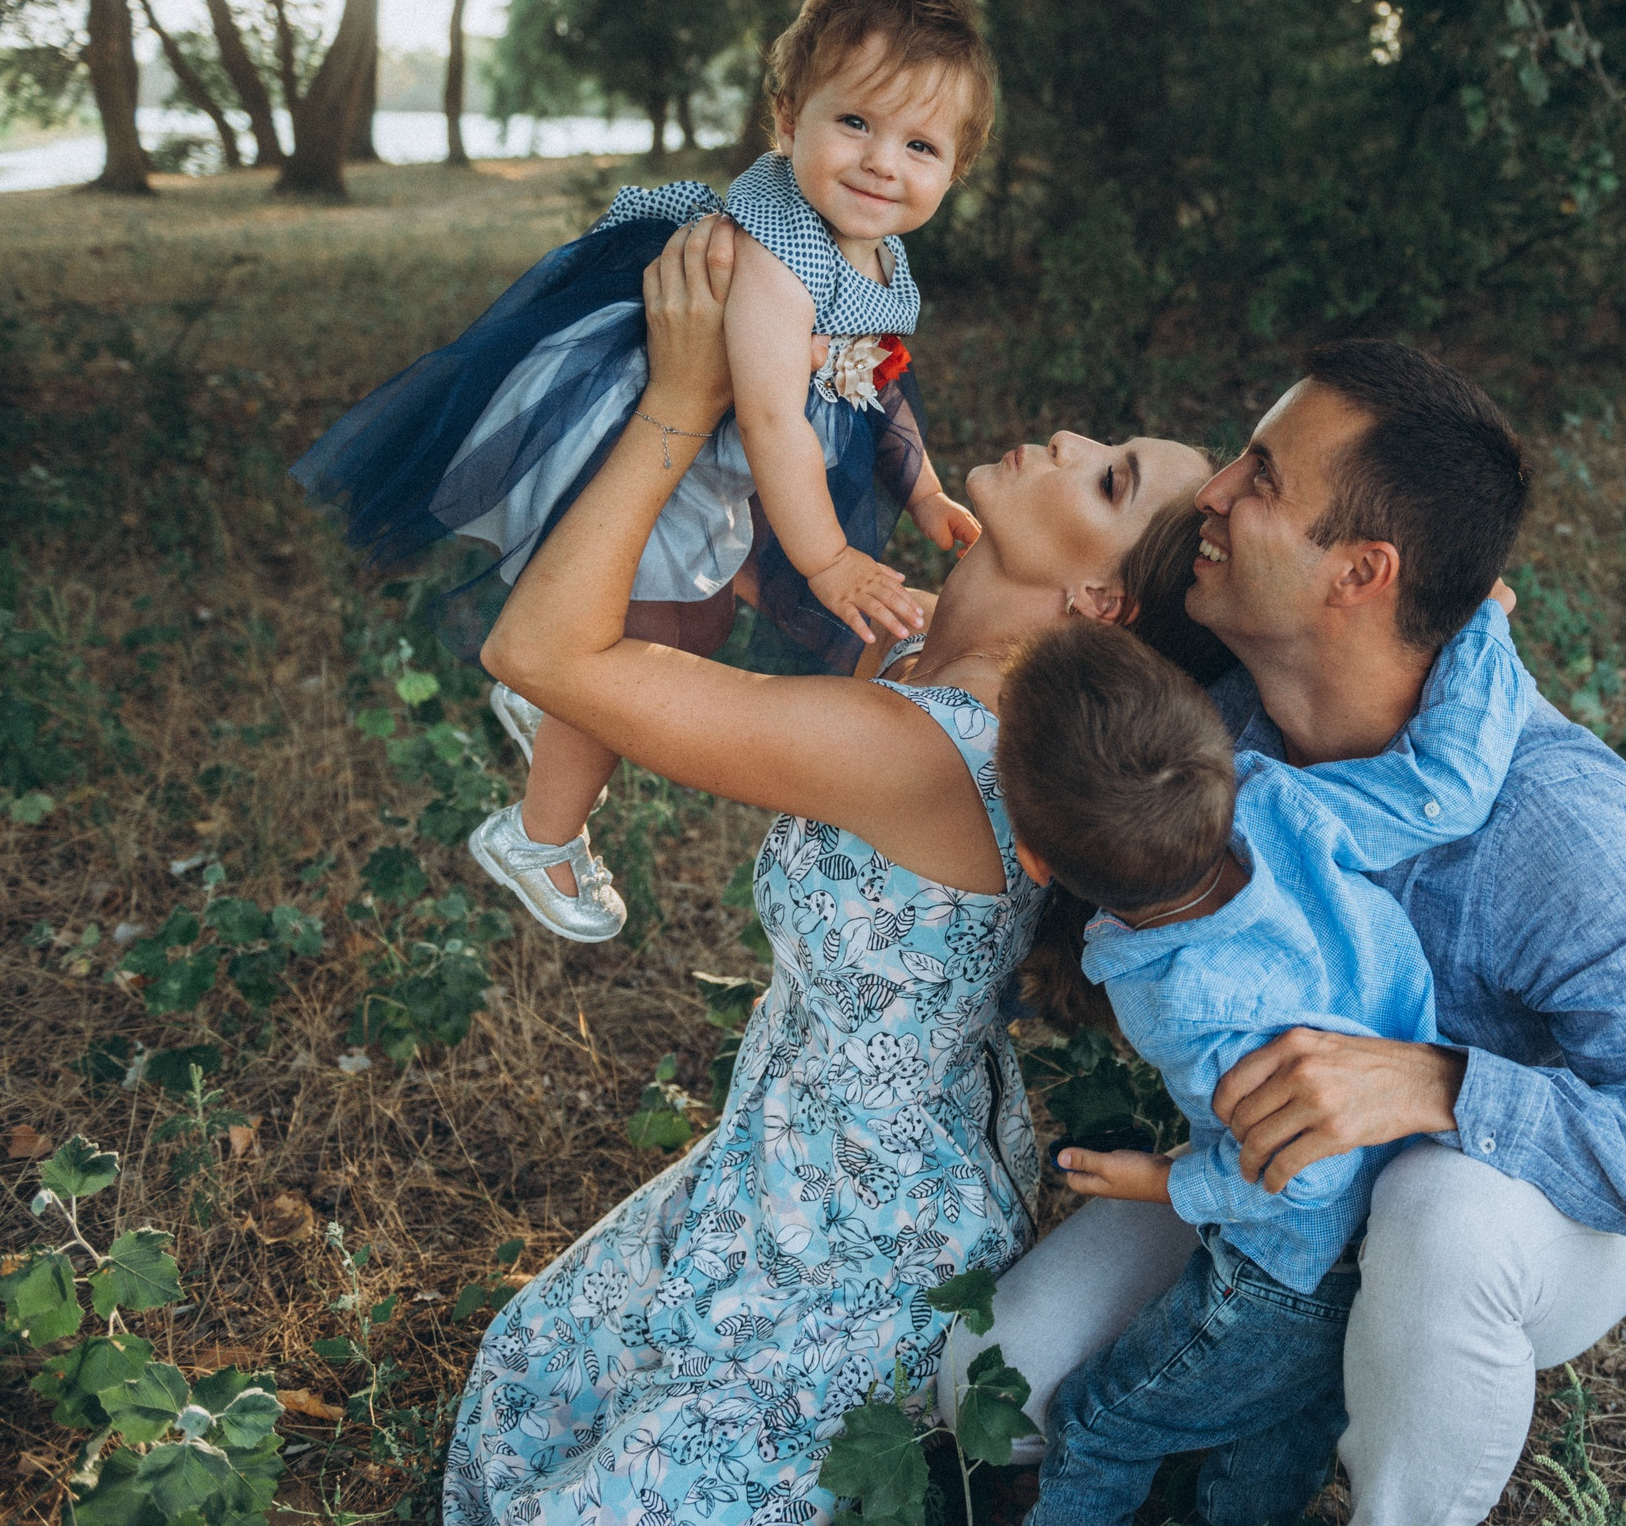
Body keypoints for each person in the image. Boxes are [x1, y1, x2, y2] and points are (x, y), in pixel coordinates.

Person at [439, 215, 1217, 1526]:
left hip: (864, 1232)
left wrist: (681, 402)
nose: (1069, 438)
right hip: (780, 1159)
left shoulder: (929, 751)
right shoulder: (908, 654)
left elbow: (543, 653)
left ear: (1101, 601)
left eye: (1108, 480)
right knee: (533, 1380)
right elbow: (729, 536)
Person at [940, 341, 1626, 1525]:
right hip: (1283, 1196)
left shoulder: (1560, 827)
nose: (1215, 491)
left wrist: (1436, 1084)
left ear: (1361, 572)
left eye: (1262, 477)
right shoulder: (1210, 723)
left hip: (1506, 1201)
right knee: (994, 1379)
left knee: (1438, 1212)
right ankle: (1285, 1399)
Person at [292, 0, 993, 946]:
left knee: (688, 623)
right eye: (855, 123)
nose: (883, 162)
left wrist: (921, 491)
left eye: (919, 144)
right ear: (786, 119)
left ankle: (546, 698)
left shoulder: (874, 250)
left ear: (956, 169)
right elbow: (771, 419)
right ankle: (540, 834)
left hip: (710, 469)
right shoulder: (775, 257)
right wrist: (830, 559)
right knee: (653, 633)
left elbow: (874, 377)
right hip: (654, 444)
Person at [992, 599, 1531, 1526]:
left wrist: (1167, 1181)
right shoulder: (1277, 801)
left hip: (1282, 1277)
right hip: (1387, 1215)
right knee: (1263, 1462)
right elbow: (1449, 784)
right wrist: (1477, 621)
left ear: (1036, 859)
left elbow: (1305, 1169)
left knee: (1098, 1421)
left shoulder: (1183, 996)